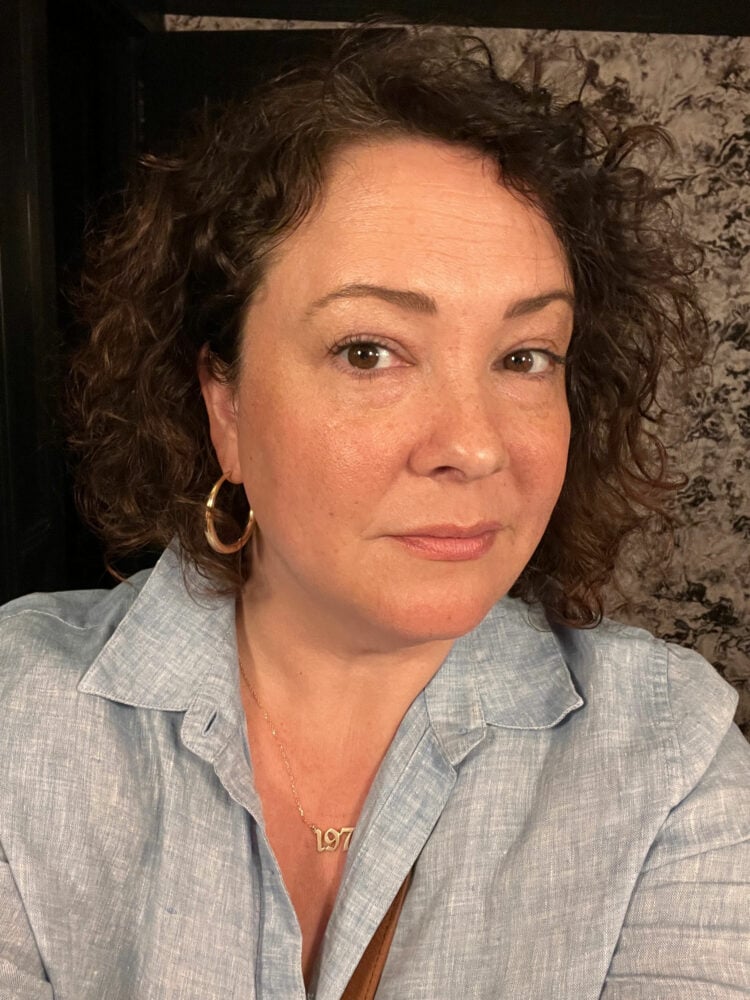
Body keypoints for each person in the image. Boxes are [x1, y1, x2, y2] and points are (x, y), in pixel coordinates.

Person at [1, 24, 748, 1000]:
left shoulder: (668, 759)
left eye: (525, 356)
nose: (476, 445)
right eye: (370, 351)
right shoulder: (21, 722)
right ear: (224, 404)